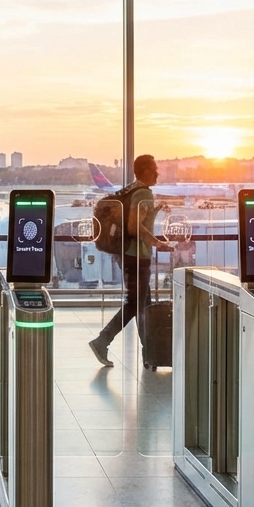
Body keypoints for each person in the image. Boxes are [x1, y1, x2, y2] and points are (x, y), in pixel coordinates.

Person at [89, 154, 174, 367]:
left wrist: (154, 210)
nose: (157, 173)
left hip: (127, 254)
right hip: (136, 257)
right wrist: (157, 243)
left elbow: (137, 219)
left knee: (144, 305)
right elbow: (134, 226)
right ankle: (102, 340)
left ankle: (151, 353)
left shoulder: (132, 190)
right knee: (135, 304)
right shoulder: (143, 193)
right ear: (146, 171)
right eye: (155, 169)